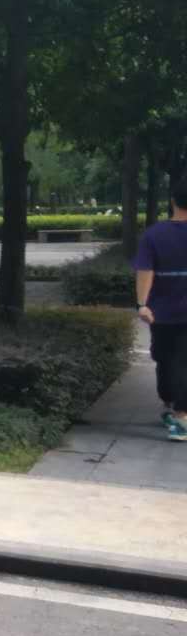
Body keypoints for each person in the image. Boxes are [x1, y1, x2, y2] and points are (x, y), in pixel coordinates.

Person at [133, 178, 187, 441]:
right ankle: (177, 410)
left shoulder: (154, 234)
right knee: (175, 361)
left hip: (162, 312)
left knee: (167, 359)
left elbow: (146, 270)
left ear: (172, 201)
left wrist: (142, 304)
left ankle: (180, 414)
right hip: (168, 312)